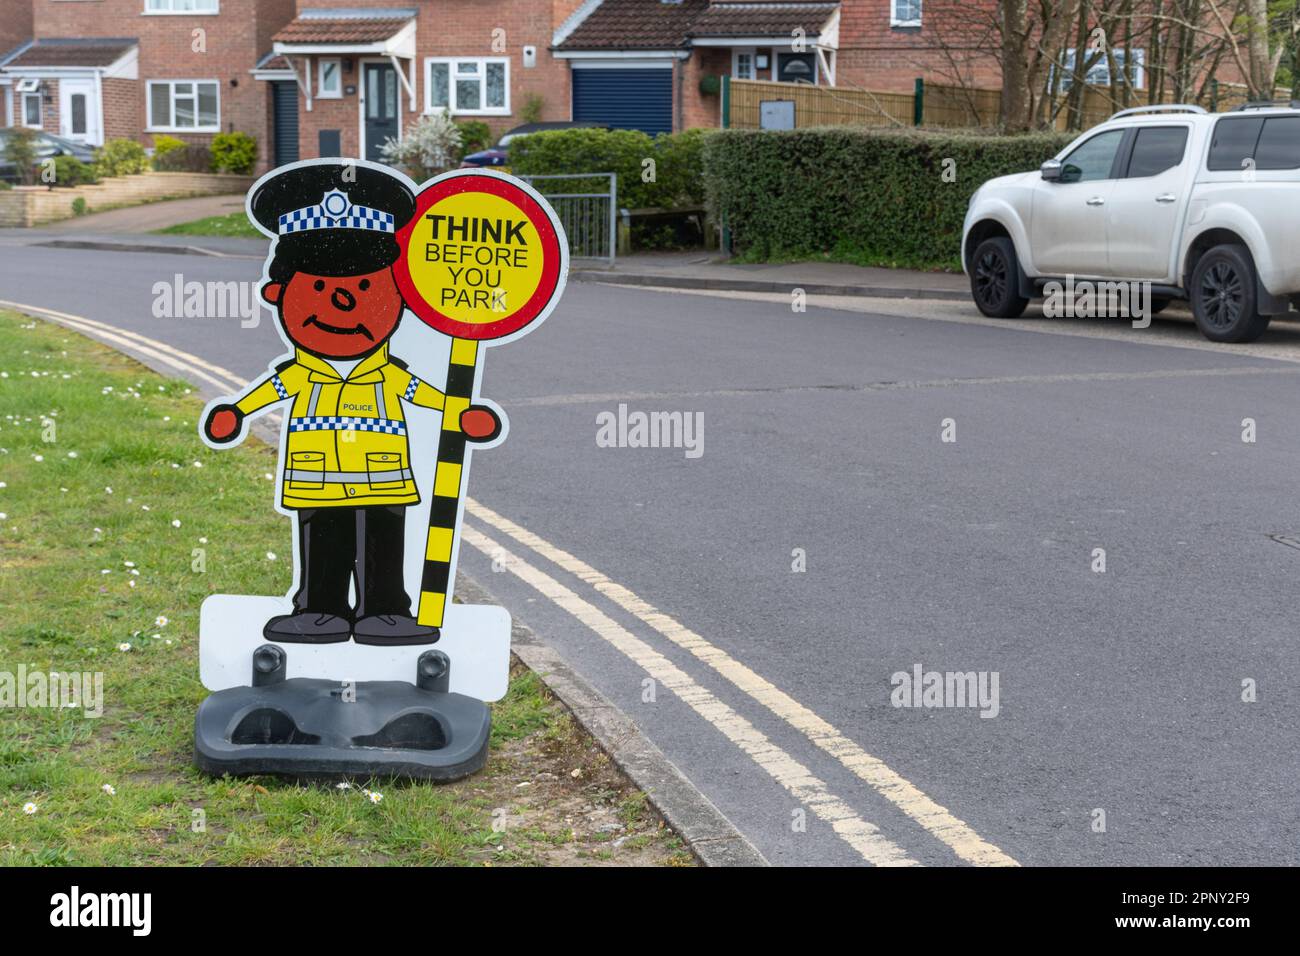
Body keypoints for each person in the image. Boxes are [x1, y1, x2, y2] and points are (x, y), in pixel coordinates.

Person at [203, 161, 500, 646]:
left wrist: (460, 414)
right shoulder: (302, 372)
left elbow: (421, 394)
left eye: (365, 287)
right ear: (279, 294)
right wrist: (235, 413)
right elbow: (272, 389)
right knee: (323, 541)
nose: (344, 303)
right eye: (319, 287)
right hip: (316, 475)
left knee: (383, 540)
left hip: (381, 475)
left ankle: (384, 611)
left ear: (398, 298)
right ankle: (319, 609)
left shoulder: (387, 373)